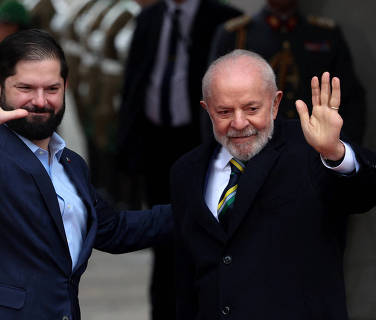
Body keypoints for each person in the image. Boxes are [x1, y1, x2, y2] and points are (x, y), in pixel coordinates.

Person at [0, 29, 172, 320]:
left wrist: (205, 205)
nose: (40, 101)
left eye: (52, 89)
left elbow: (115, 229)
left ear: (65, 86)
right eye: (26, 88)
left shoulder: (71, 164)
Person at [170, 49, 376, 319]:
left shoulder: (310, 150)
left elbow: (363, 194)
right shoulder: (186, 171)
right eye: (224, 112)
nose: (240, 123)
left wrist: (335, 153)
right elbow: (186, 275)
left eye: (252, 108)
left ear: (276, 103)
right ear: (206, 110)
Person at [117, 1, 241, 318]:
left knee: (201, 233)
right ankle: (163, 311)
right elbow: (133, 80)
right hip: (155, 142)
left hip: (200, 141)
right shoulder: (149, 17)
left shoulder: (224, 19)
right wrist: (127, 145)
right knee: (162, 234)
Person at [209, 0, 366, 144]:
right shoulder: (236, 34)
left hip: (315, 147)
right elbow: (213, 100)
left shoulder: (325, 33)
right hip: (255, 147)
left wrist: (341, 149)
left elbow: (351, 99)